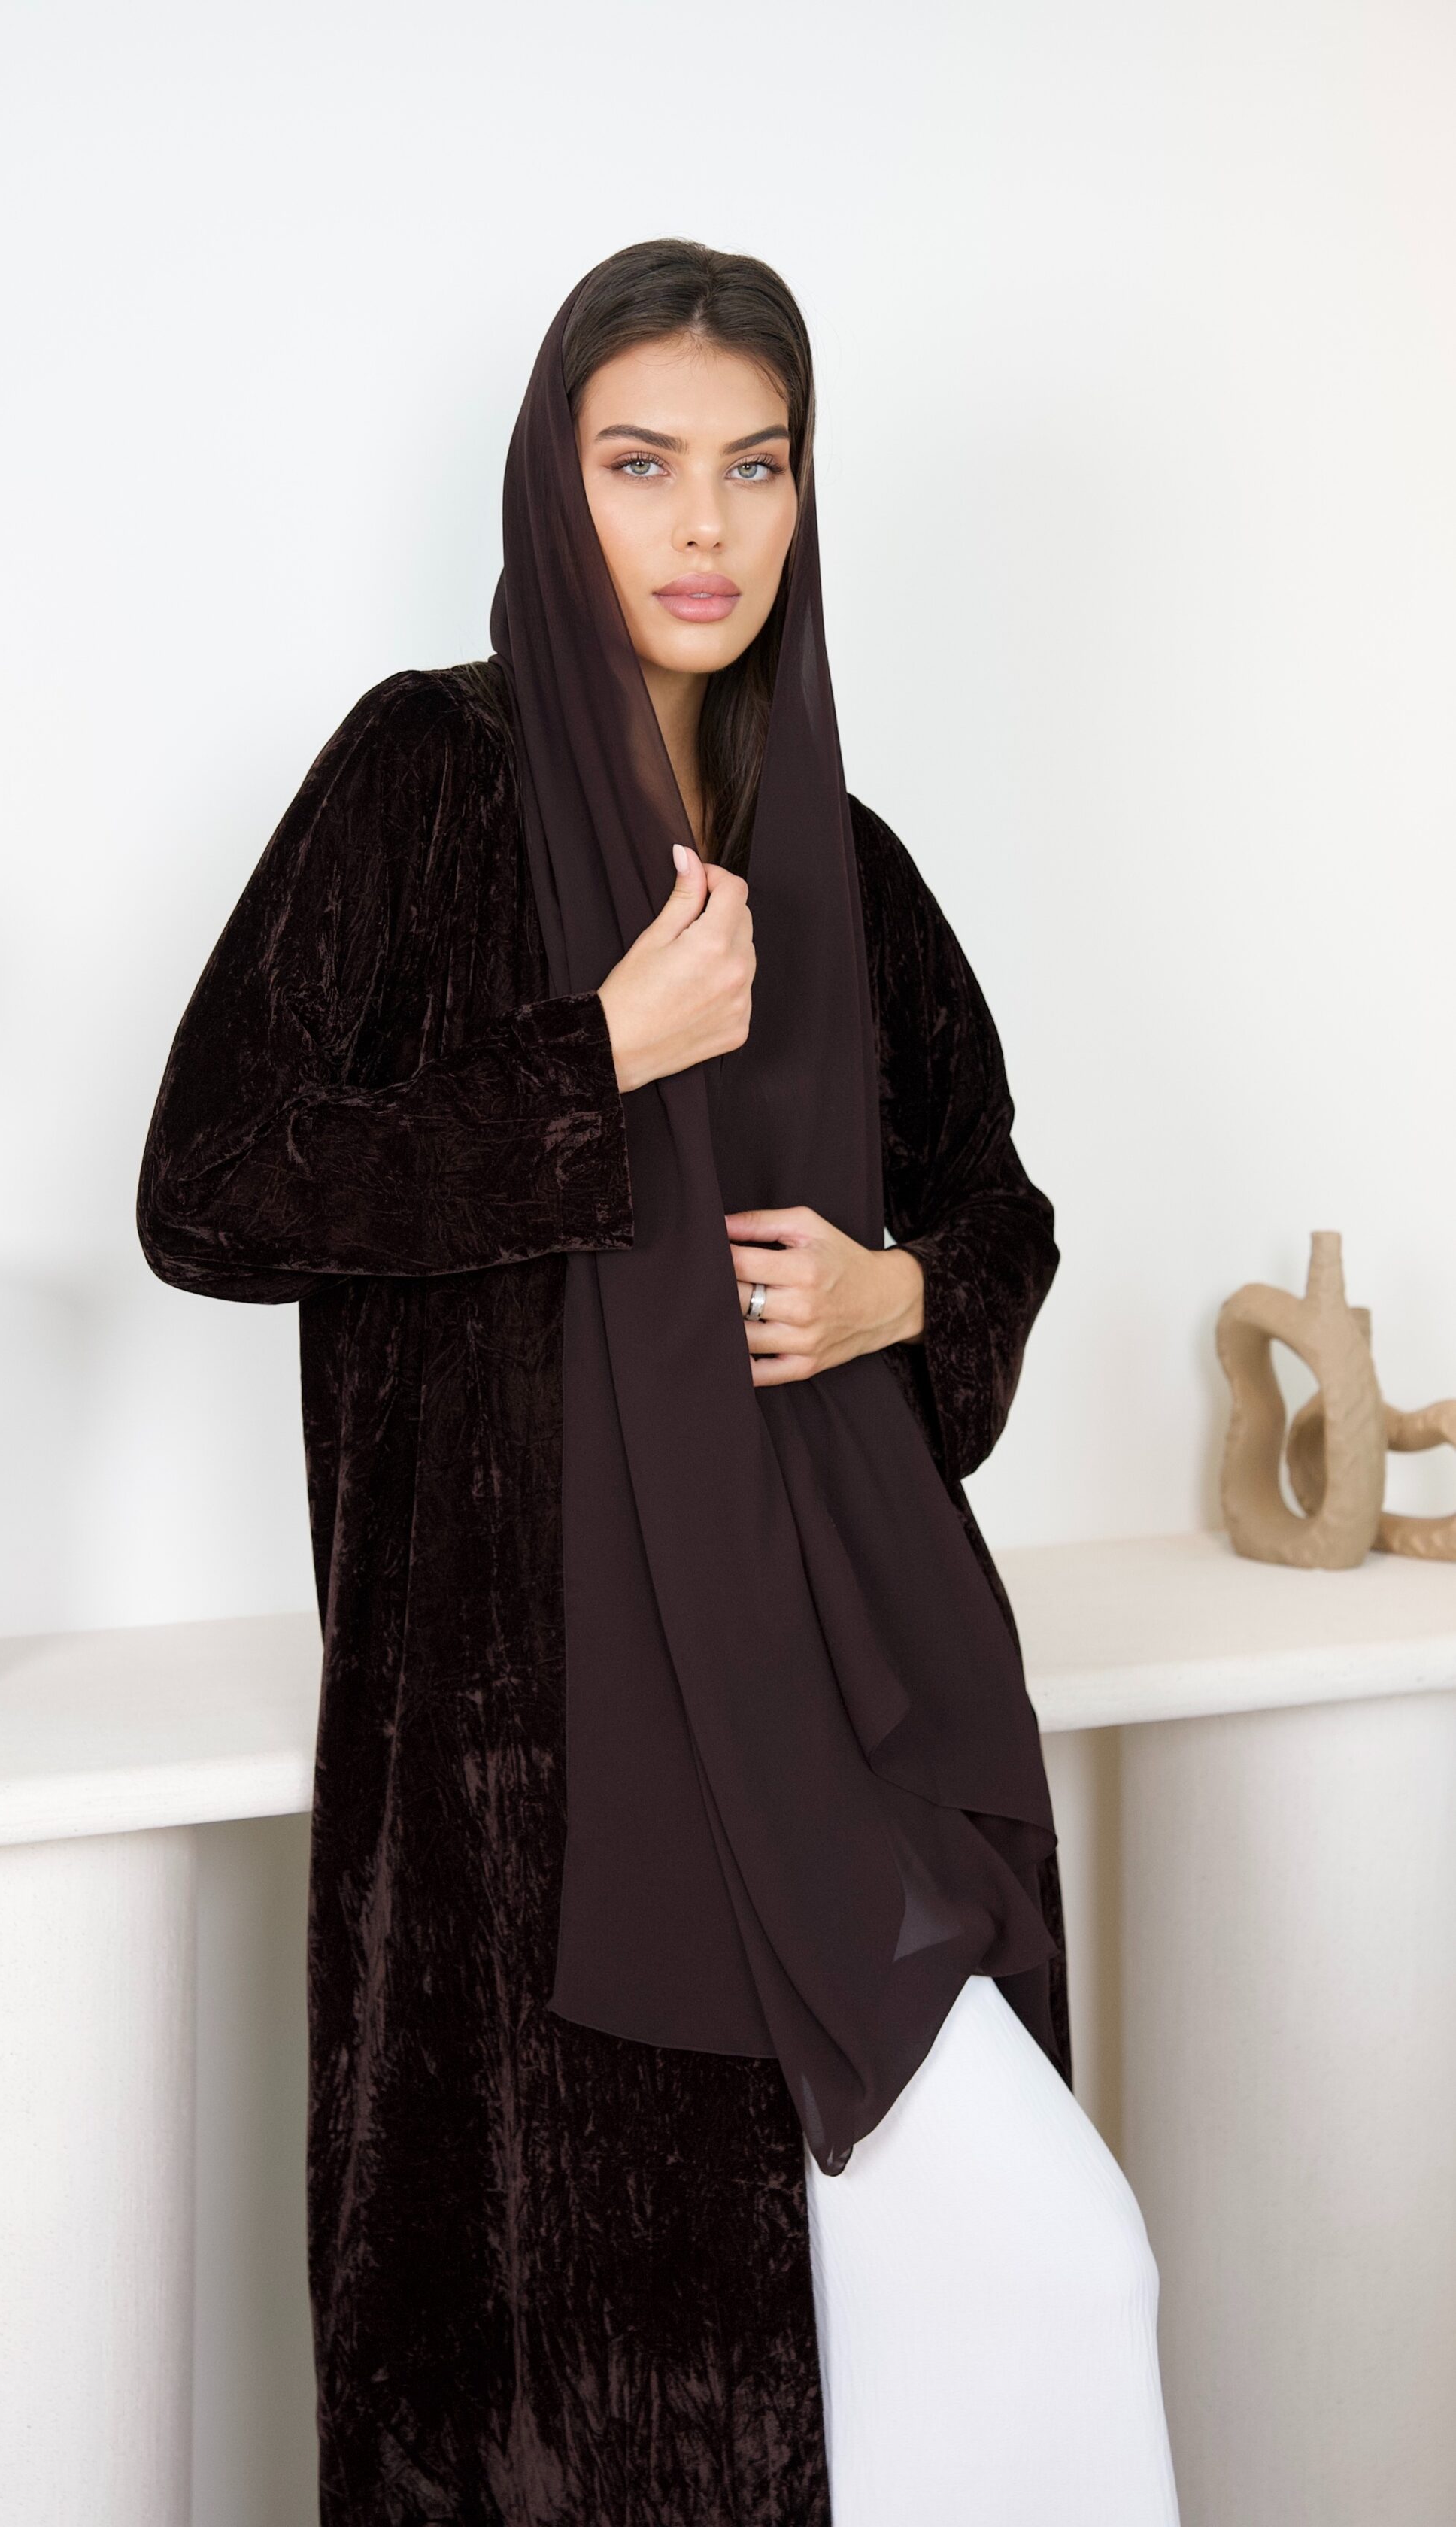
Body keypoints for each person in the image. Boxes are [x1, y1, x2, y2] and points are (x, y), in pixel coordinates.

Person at [136, 238, 1180, 2526]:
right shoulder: (426, 782)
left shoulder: (845, 868)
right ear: (555, 486)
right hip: (536, 1762)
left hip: (834, 1726)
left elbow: (994, 1214)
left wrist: (899, 1297)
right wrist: (590, 1058)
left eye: (754, 467)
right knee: (600, 2405)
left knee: (1045, 2284)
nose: (703, 527)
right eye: (641, 466)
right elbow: (209, 1190)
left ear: (804, 497)